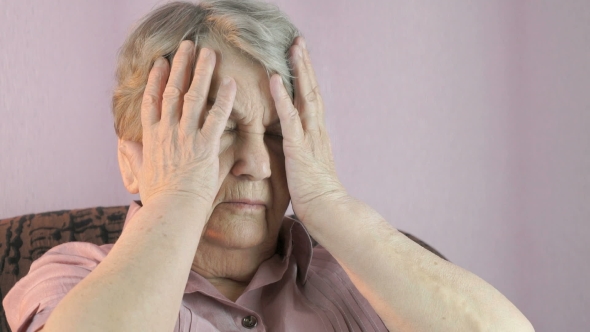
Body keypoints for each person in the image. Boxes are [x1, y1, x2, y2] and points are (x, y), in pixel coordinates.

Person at [3, 0, 535, 331]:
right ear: (132, 161)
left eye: (279, 135)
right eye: (215, 127)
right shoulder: (72, 276)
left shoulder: (360, 278)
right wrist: (181, 196)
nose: (257, 163)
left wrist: (328, 203)